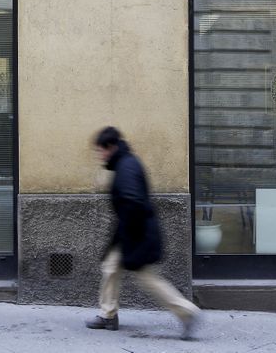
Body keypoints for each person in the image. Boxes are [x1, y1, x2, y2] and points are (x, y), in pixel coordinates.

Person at [85, 126, 201, 340]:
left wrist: (131, 241)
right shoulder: (124, 163)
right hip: (129, 233)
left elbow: (133, 203)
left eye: (99, 150)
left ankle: (188, 311)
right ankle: (108, 314)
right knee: (110, 266)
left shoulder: (126, 167)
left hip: (136, 235)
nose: (98, 155)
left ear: (110, 147)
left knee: (146, 278)